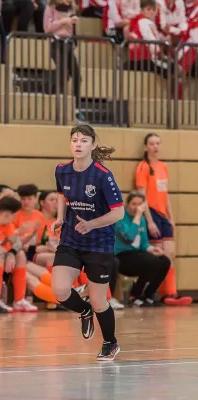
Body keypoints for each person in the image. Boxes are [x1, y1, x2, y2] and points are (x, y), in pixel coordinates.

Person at [51, 122, 124, 362]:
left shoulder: (103, 175)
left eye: (83, 140)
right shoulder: (62, 170)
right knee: (60, 290)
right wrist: (61, 218)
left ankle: (110, 343)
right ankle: (83, 310)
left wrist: (92, 224)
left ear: (93, 145)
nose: (78, 144)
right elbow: (61, 193)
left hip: (99, 243)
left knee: (99, 300)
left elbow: (119, 213)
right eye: (74, 140)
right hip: (71, 238)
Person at [134, 133, 192, 306]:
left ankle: (171, 293)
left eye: (158, 143)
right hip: (151, 214)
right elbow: (141, 196)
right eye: (152, 144)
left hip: (163, 216)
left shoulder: (163, 166)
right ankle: (155, 293)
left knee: (170, 255)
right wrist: (149, 221)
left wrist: (171, 218)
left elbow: (165, 195)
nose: (155, 147)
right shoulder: (143, 167)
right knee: (158, 258)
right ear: (146, 147)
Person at [115, 192, 171, 307]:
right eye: (133, 204)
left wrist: (152, 249)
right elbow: (129, 239)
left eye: (140, 204)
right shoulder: (120, 218)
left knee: (164, 261)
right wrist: (138, 215)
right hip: (121, 256)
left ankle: (148, 295)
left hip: (137, 255)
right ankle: (135, 295)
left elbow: (144, 243)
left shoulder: (142, 220)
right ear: (127, 205)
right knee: (150, 261)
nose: (136, 207)